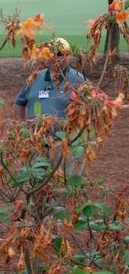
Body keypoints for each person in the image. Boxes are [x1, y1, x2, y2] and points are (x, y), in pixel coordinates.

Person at [13, 37, 86, 174]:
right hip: (36, 144)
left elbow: (90, 106)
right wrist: (22, 128)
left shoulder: (77, 79)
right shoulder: (36, 77)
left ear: (68, 56)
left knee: (62, 187)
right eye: (51, 54)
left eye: (60, 54)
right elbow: (19, 102)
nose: (55, 58)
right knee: (36, 183)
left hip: (64, 144)